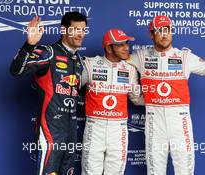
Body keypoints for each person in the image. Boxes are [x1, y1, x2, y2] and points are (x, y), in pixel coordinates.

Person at [127, 16, 205, 175]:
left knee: (185, 171)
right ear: (151, 35)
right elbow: (118, 64)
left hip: (180, 123)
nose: (164, 34)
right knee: (154, 172)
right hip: (155, 122)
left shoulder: (184, 57)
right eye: (159, 31)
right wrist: (137, 96)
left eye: (167, 30)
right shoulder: (141, 56)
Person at [10, 12, 87, 175]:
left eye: (83, 30)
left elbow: (71, 93)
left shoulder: (79, 60)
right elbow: (16, 71)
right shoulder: (49, 52)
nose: (80, 34)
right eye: (75, 30)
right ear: (64, 30)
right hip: (50, 130)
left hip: (71, 131)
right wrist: (29, 45)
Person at [81, 29, 144, 175]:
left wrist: (160, 100)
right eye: (120, 45)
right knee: (90, 172)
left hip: (119, 128)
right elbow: (71, 89)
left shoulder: (130, 70)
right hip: (94, 127)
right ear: (109, 48)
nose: (126, 48)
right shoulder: (90, 65)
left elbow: (136, 98)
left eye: (126, 43)